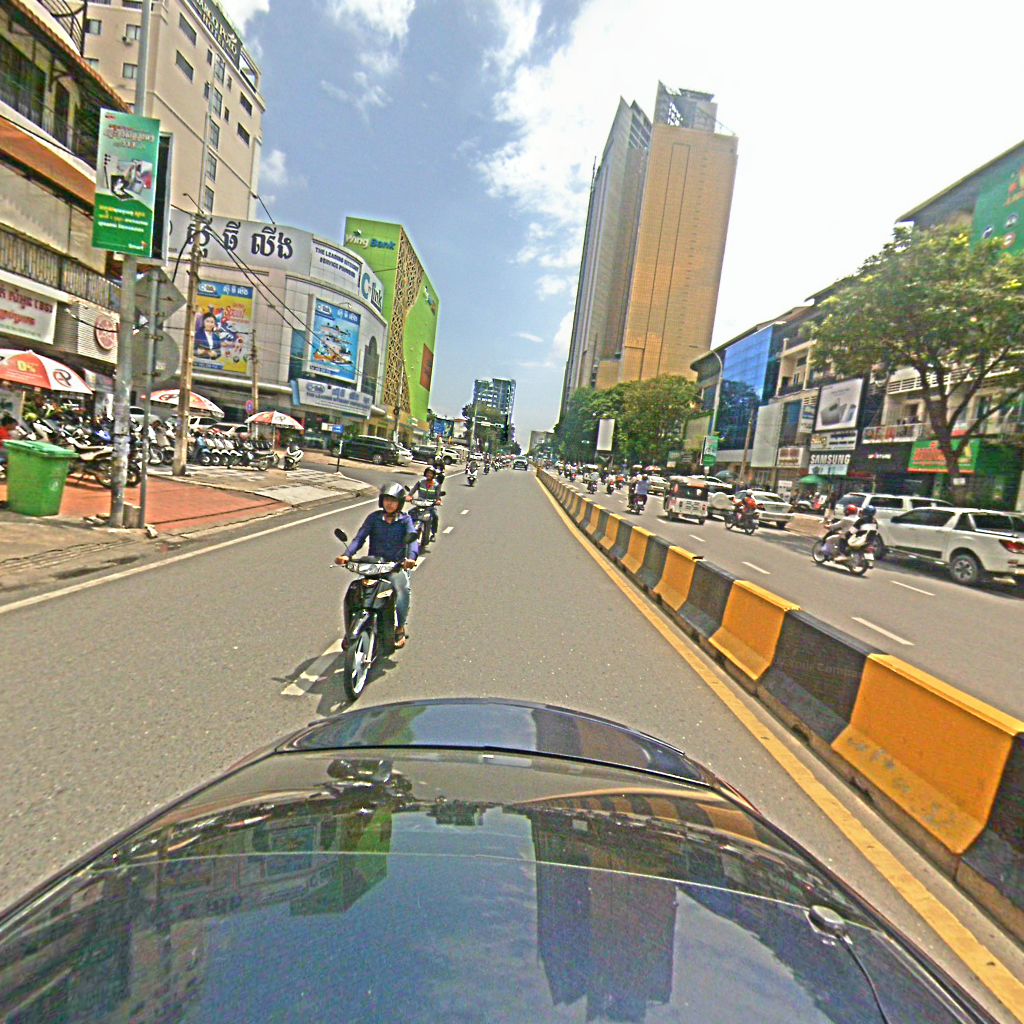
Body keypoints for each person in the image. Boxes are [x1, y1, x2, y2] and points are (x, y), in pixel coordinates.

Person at [336, 483, 418, 648]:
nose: (389, 504)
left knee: (402, 591)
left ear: (400, 503)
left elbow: (412, 541)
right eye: (387, 499)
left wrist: (410, 558)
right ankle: (351, 627)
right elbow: (360, 538)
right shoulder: (374, 518)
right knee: (356, 591)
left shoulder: (405, 520)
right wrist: (346, 555)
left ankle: (400, 627)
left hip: (394, 566)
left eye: (393, 501)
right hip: (373, 565)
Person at [409, 464, 443, 541]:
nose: (429, 475)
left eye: (431, 473)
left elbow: (438, 495)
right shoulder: (420, 482)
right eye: (428, 473)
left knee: (435, 516)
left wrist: (438, 501)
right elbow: (413, 490)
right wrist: (409, 496)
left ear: (433, 475)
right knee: (410, 513)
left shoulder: (436, 484)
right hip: (420, 504)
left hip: (430, 506)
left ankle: (433, 534)